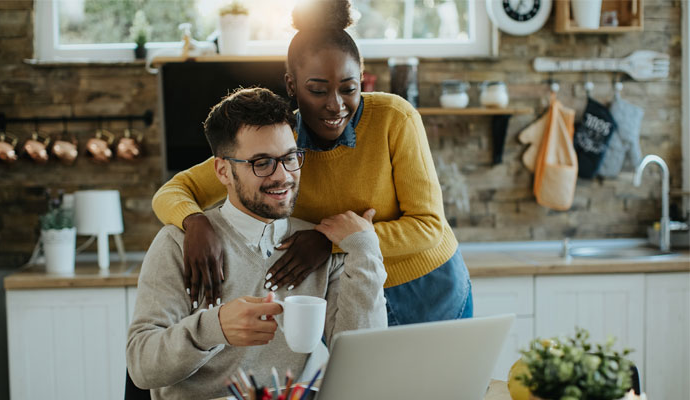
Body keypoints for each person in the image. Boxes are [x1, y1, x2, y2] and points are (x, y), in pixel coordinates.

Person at [152, 0, 472, 326]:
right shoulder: (280, 140)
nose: (336, 106)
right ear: (291, 85)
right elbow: (175, 190)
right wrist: (195, 223)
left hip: (431, 289)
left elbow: (428, 227)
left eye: (349, 88)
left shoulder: (395, 118)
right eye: (318, 90)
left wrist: (329, 241)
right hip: (349, 295)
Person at [127, 87, 387, 399]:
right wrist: (215, 327)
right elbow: (142, 368)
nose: (283, 176)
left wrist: (365, 249)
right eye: (261, 163)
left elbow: (364, 364)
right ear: (223, 171)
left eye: (290, 158)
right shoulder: (176, 243)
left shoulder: (319, 247)